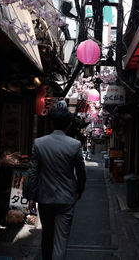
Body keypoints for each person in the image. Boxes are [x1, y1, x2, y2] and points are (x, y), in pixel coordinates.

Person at [28, 107, 86, 260]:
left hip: (45, 197)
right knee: (61, 238)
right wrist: (79, 190)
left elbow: (33, 172)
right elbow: (81, 172)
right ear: (68, 125)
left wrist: (32, 196)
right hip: (67, 197)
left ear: (52, 124)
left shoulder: (39, 143)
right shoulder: (75, 145)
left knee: (47, 235)